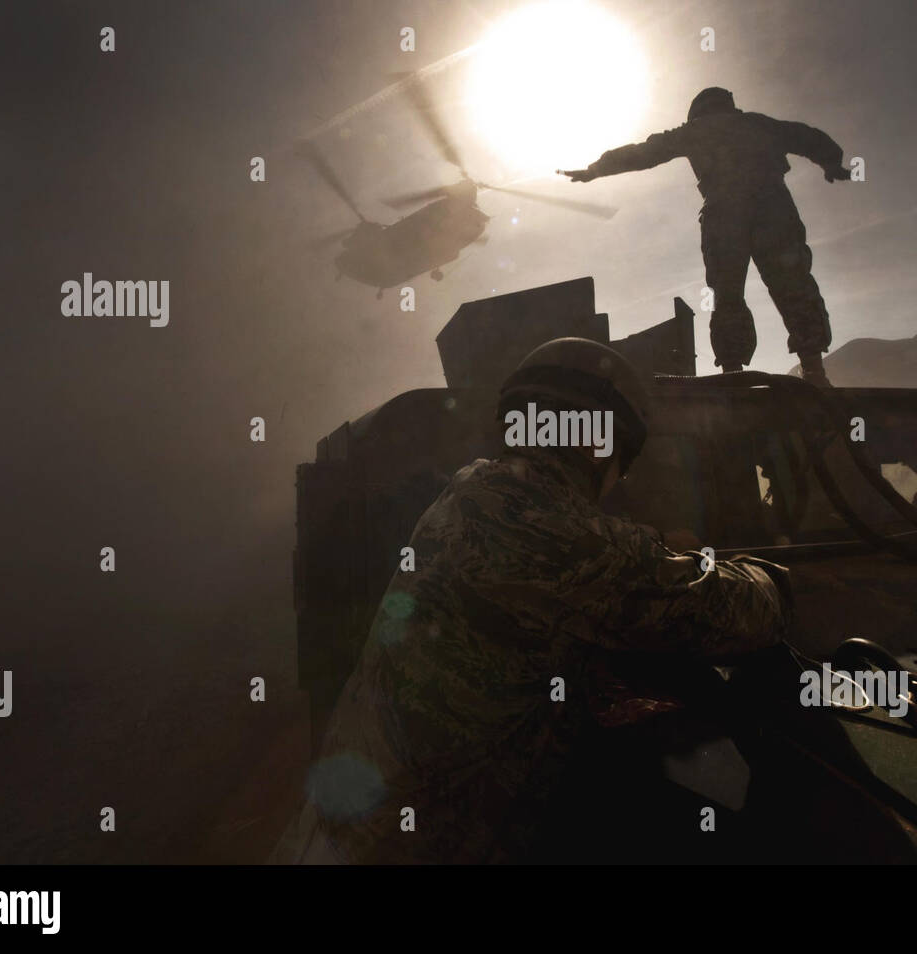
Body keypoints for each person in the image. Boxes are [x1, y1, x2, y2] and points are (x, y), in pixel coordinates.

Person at [273, 337, 793, 863]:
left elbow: (569, 561)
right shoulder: (565, 541)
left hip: (336, 838)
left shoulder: (475, 490)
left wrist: (649, 551)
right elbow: (738, 612)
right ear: (602, 445)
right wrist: (771, 578)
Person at [560, 87, 850, 386]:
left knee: (726, 295)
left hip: (724, 216)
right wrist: (832, 162)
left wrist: (595, 170)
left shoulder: (695, 131)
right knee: (794, 285)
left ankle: (733, 375)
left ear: (698, 111)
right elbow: (807, 137)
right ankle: (814, 369)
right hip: (774, 209)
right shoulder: (757, 123)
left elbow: (645, 153)